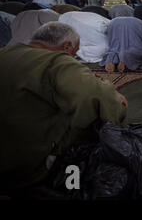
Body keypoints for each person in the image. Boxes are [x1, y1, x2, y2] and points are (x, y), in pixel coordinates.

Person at [0, 22, 128, 192]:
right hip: (28, 167)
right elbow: (96, 97)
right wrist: (116, 103)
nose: (73, 58)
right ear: (67, 46)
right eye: (74, 54)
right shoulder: (56, 61)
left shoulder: (6, 52)